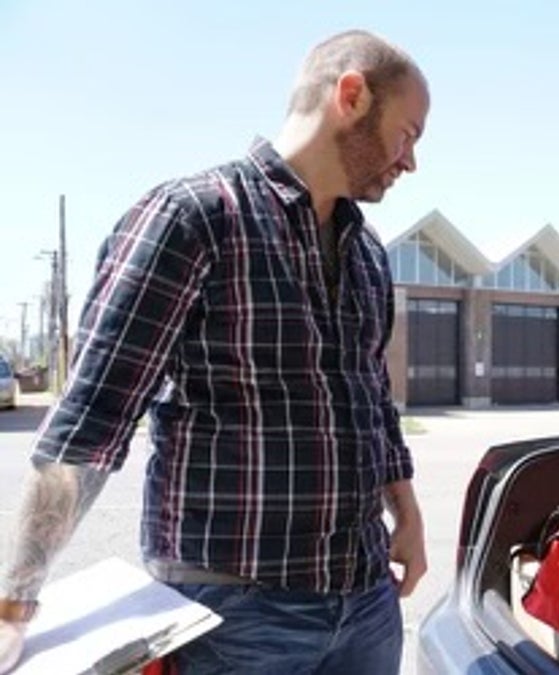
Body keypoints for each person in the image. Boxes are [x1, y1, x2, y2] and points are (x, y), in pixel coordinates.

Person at [0, 29, 430, 674]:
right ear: (351, 95)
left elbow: (372, 399)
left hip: (365, 603)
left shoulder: (365, 251)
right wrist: (15, 601)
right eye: (409, 133)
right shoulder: (193, 218)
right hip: (234, 613)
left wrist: (408, 513)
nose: (410, 161)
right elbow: (90, 423)